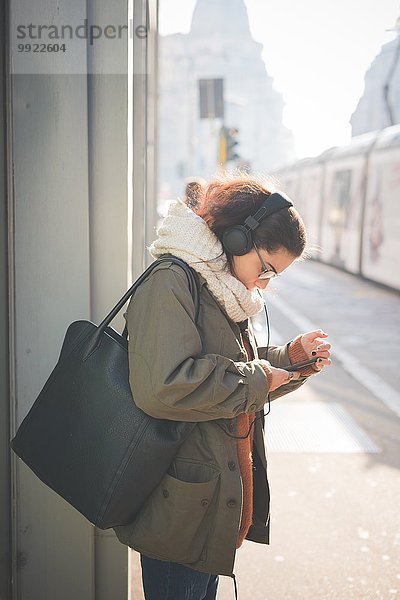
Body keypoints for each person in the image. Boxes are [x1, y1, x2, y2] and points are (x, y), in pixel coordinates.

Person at [113, 175, 332, 600]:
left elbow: (226, 367)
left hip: (207, 499)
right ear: (235, 239)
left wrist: (289, 358)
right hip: (180, 503)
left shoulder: (219, 284)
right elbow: (163, 385)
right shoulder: (172, 281)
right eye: (266, 268)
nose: (265, 284)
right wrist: (259, 377)